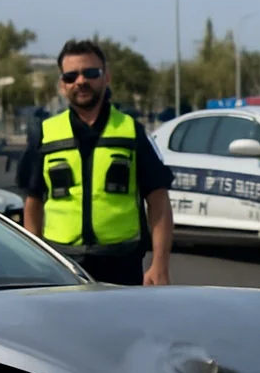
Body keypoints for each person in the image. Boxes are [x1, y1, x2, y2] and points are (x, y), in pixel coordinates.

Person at [17, 39, 175, 286]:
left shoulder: (131, 131)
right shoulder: (45, 134)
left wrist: (160, 265)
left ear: (106, 77)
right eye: (71, 76)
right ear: (62, 85)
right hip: (62, 266)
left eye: (90, 73)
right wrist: (34, 264)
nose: (80, 81)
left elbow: (159, 201)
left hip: (121, 266)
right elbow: (33, 204)